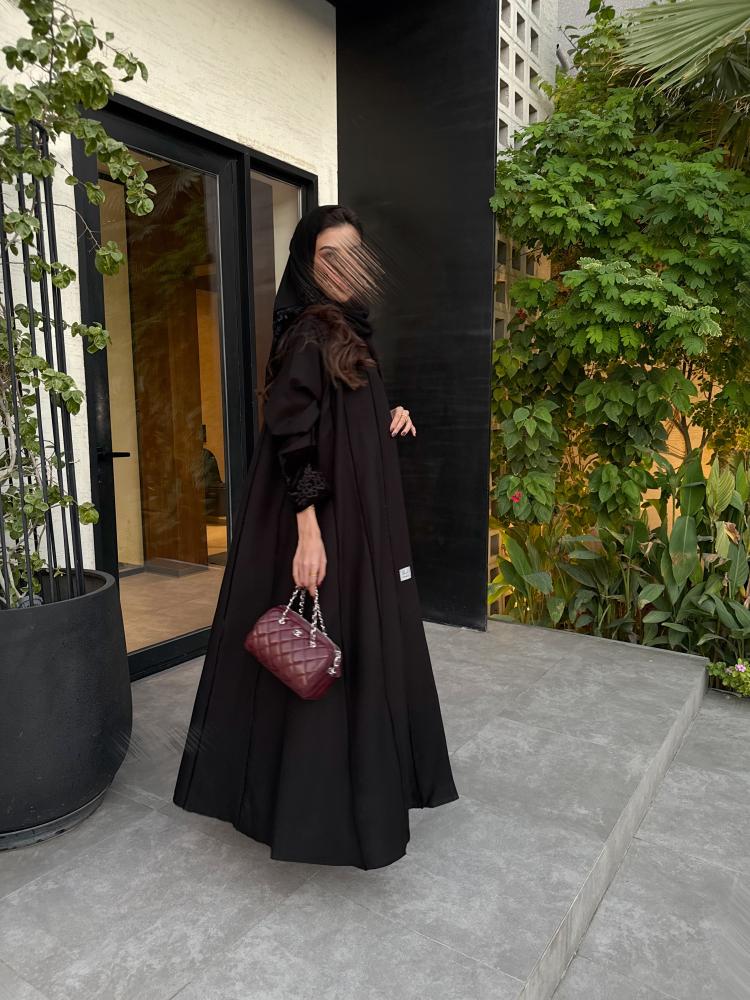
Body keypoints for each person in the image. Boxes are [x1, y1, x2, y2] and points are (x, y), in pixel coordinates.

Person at [172, 204, 458, 870]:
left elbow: (337, 412)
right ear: (306, 262)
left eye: (353, 254)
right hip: (325, 522)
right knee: (320, 653)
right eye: (329, 256)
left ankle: (338, 791)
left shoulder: (346, 328)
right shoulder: (310, 331)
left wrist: (386, 411)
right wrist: (308, 533)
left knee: (344, 649)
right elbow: (292, 436)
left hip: (355, 521)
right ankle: (317, 806)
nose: (343, 267)